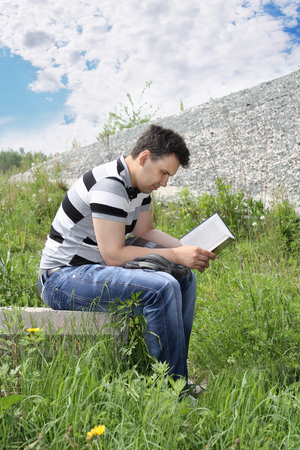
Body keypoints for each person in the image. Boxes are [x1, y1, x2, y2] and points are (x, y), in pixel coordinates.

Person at [37, 124, 216, 388]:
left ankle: (177, 377)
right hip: (62, 279)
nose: (165, 182)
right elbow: (114, 254)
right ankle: (169, 389)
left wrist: (188, 248)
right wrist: (176, 253)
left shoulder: (139, 187)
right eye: (164, 172)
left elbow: (146, 231)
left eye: (170, 176)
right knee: (161, 288)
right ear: (144, 158)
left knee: (183, 277)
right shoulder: (110, 185)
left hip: (95, 271)